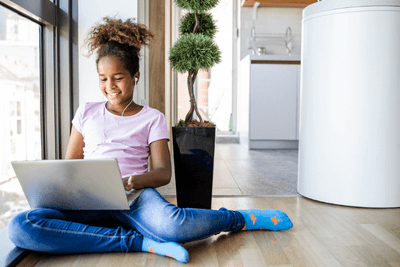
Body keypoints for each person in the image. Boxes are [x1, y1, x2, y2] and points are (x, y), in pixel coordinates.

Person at [8, 17, 293, 263]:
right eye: (103, 79)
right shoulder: (86, 112)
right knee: (22, 226)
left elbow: (162, 173)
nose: (110, 87)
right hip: (87, 201)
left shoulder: (151, 117)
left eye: (118, 77)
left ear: (135, 76)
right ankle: (140, 242)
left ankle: (242, 219)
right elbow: (69, 165)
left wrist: (131, 181)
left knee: (175, 226)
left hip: (135, 198)